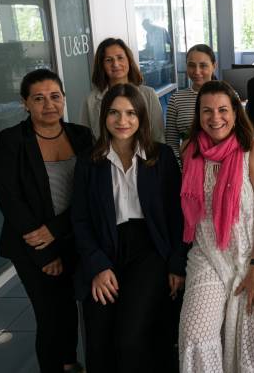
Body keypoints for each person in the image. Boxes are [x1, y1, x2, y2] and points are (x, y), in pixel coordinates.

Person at [178, 80, 254, 373]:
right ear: (198, 115)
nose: (215, 118)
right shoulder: (189, 151)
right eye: (207, 111)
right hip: (209, 253)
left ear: (235, 112)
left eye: (222, 110)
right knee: (195, 334)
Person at [71, 83, 186, 373]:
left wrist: (176, 263)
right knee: (99, 335)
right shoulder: (89, 161)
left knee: (130, 336)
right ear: (104, 117)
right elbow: (80, 219)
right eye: (114, 113)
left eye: (131, 113)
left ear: (141, 117)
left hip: (150, 249)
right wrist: (98, 266)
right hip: (104, 249)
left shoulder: (161, 157)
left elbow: (178, 215)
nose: (122, 121)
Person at [0, 69, 92, 373]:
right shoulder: (11, 140)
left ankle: (70, 363)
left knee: (71, 309)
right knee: (50, 316)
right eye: (38, 98)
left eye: (55, 96)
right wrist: (46, 253)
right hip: (32, 246)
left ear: (64, 98)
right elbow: (10, 200)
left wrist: (56, 230)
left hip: (74, 236)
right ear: (25, 103)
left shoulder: (81, 136)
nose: (49, 104)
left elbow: (90, 194)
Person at [81, 37, 165, 142]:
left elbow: (158, 137)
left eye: (120, 58)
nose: (115, 64)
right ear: (101, 65)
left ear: (129, 60)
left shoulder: (149, 95)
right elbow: (86, 141)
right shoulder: (90, 101)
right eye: (108, 60)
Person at [166, 44, 216, 163]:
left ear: (214, 66)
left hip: (224, 165)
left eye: (203, 65)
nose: (197, 71)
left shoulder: (229, 95)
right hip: (188, 165)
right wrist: (180, 167)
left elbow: (238, 136)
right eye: (191, 65)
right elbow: (171, 142)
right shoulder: (176, 99)